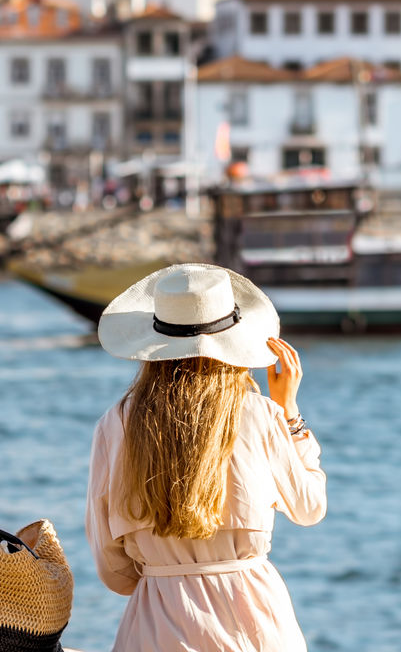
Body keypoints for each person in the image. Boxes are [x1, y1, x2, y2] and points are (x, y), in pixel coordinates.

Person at [86, 263, 326, 651]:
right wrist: (291, 415)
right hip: (255, 623)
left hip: (155, 625)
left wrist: (165, 574)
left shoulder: (114, 425)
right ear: (234, 340)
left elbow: (113, 572)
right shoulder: (261, 414)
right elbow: (310, 507)